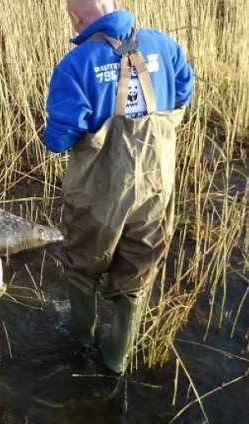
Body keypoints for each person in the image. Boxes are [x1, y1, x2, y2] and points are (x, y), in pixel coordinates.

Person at [42, 0, 194, 374]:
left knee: (82, 263)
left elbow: (59, 139)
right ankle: (116, 357)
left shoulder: (75, 66)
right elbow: (184, 95)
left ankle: (81, 339)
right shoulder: (164, 44)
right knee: (138, 269)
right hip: (157, 186)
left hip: (100, 193)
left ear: (75, 17)